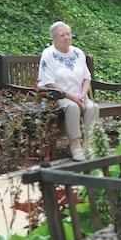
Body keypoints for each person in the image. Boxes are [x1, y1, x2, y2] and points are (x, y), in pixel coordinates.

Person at [37, 21, 97, 162]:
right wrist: (73, 98)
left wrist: (82, 95)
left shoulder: (78, 53)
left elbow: (86, 78)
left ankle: (89, 145)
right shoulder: (48, 54)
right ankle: (75, 147)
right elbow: (48, 81)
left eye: (68, 34)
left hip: (80, 94)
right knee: (72, 107)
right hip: (58, 96)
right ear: (54, 38)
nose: (66, 37)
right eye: (61, 35)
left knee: (92, 107)